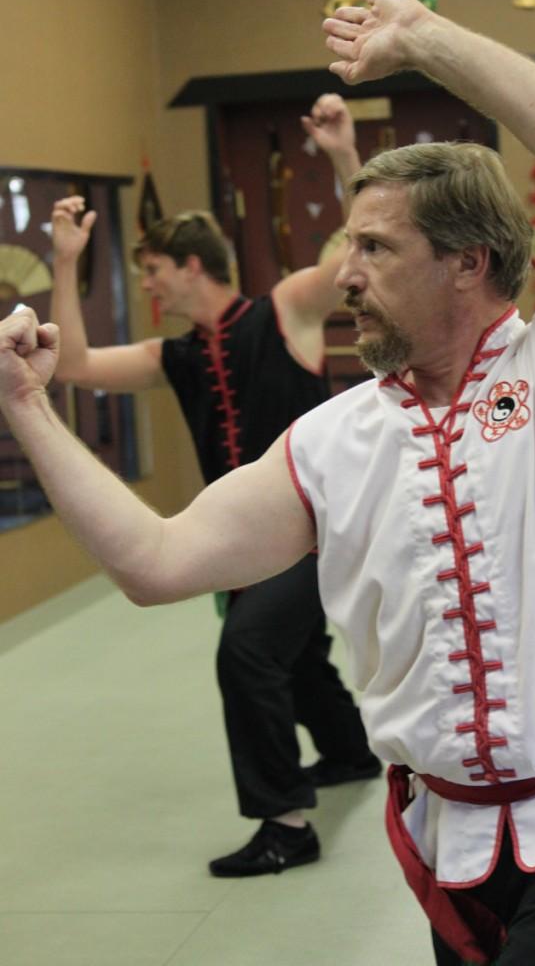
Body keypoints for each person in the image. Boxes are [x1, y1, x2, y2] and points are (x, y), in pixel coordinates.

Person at [2, 0, 535, 966]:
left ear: (469, 263)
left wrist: (430, 41)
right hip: (453, 845)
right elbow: (154, 560)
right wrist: (26, 406)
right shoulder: (334, 439)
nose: (347, 272)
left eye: (374, 246)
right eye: (346, 244)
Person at [47, 92, 380, 879]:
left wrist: (342, 154)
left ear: (192, 265)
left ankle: (286, 823)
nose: (151, 287)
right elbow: (72, 367)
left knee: (247, 653)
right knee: (295, 659)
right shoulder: (179, 356)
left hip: (314, 526)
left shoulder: (286, 311)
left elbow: (358, 253)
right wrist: (63, 260)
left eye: (155, 273)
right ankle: (351, 754)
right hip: (242, 542)